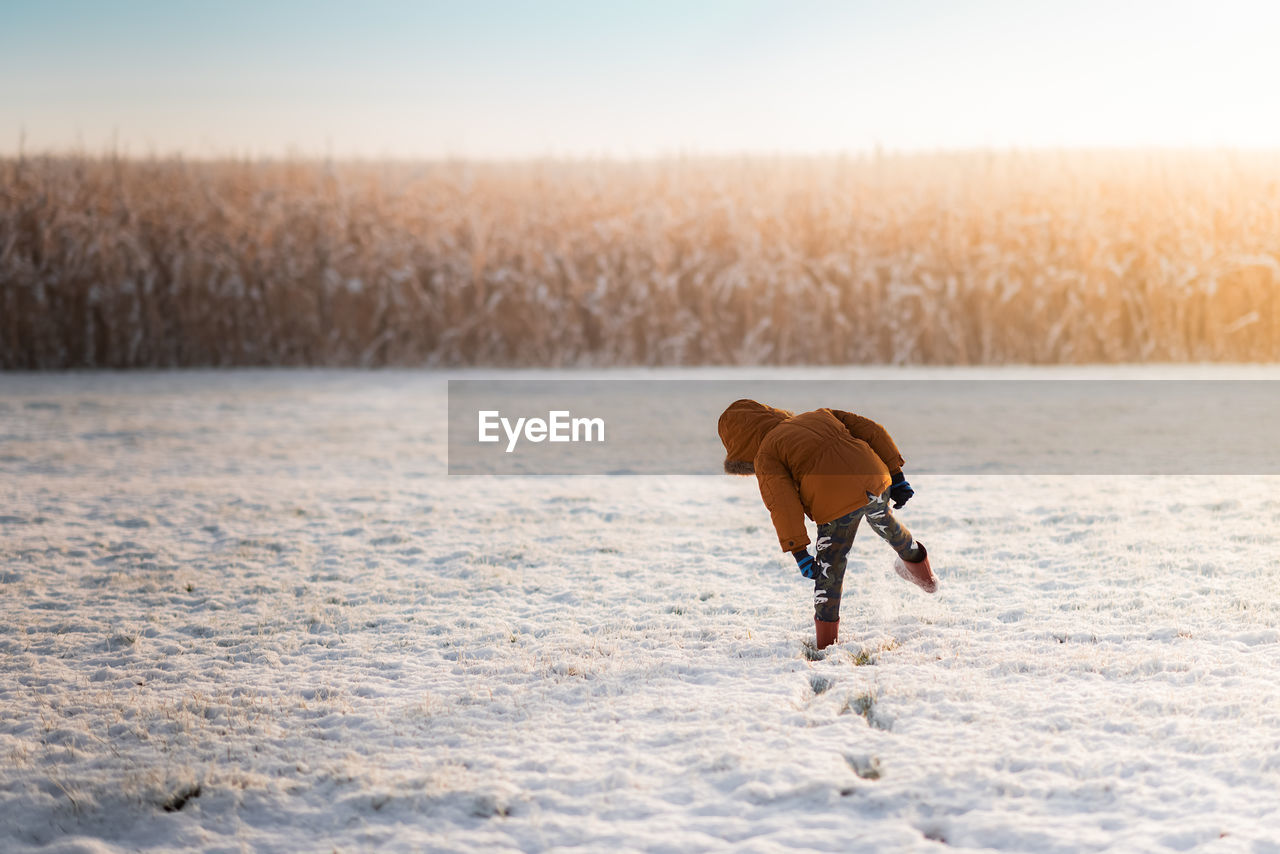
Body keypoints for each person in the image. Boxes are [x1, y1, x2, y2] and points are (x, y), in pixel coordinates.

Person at [717, 399, 936, 650]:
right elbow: (872, 430)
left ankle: (826, 645)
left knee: (830, 567)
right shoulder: (820, 414)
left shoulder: (767, 452)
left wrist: (798, 551)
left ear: (740, 444)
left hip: (834, 504)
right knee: (884, 522)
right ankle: (925, 576)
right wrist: (897, 476)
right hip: (875, 479)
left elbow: (782, 503)